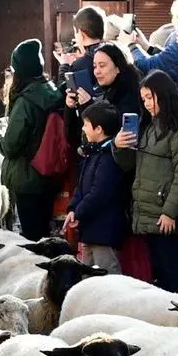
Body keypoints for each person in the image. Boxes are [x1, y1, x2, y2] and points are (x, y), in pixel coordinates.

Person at [114, 70, 178, 295]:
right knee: (160, 270)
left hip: (165, 213)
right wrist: (119, 146)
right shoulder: (149, 127)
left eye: (150, 97)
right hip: (147, 210)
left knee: (173, 270)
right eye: (144, 99)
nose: (147, 104)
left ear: (163, 94)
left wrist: (170, 212)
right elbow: (130, 165)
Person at [0, 38, 64, 238]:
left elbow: (11, 146)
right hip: (49, 173)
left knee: (31, 238)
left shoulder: (26, 101)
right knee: (44, 232)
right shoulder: (52, 91)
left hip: (27, 178)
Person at [64, 102, 130, 274]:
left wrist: (79, 212)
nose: (83, 129)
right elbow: (81, 187)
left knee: (107, 276)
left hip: (104, 231)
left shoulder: (109, 157)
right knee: (87, 277)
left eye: (86, 124)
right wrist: (73, 208)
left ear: (99, 129)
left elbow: (99, 192)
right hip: (90, 228)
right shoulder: (93, 152)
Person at [83, 42, 144, 122]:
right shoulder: (103, 90)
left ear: (118, 67)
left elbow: (112, 125)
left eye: (102, 66)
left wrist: (88, 106)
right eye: (95, 66)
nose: (97, 71)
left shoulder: (130, 94)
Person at [56, 5, 105, 100]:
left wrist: (64, 66)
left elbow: (63, 93)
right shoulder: (114, 53)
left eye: (76, 32)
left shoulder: (79, 65)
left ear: (81, 33)